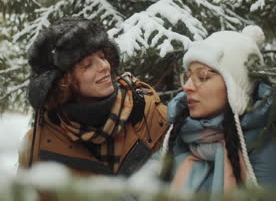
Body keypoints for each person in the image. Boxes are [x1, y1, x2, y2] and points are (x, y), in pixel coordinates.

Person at [163, 25, 276, 200]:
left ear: (237, 86)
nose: (187, 87)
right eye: (187, 76)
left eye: (202, 77)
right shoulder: (172, 143)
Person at [18, 17, 169, 176]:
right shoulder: (37, 145)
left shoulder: (152, 117)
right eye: (87, 65)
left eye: (103, 57)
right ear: (64, 82)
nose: (104, 66)